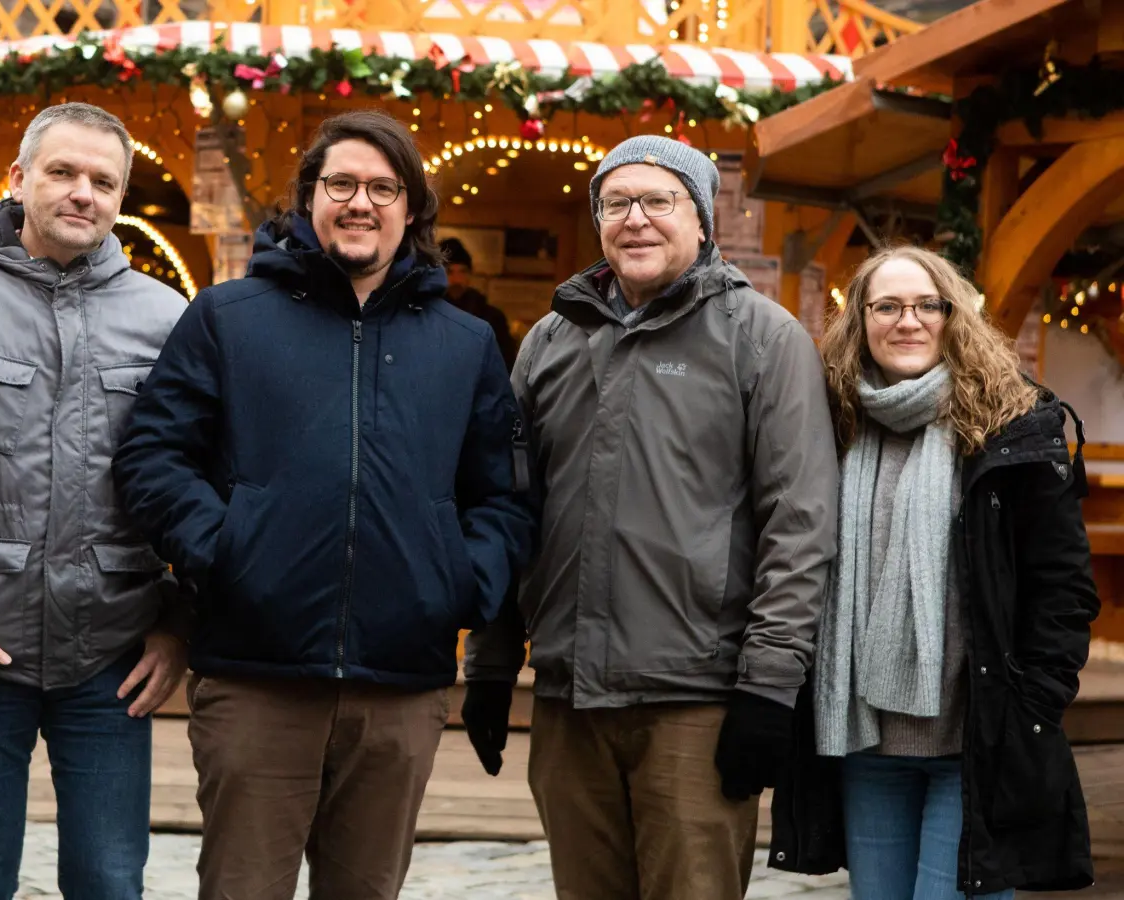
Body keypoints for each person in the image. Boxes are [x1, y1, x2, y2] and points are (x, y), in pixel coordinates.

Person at [112, 109, 534, 900]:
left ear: (411, 209)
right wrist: (229, 550)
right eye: (341, 183)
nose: (361, 202)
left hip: (400, 685)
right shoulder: (227, 318)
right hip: (255, 676)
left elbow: (501, 496)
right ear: (309, 197)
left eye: (384, 186)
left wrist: (458, 582)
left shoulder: (464, 344)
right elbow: (153, 455)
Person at [460, 134, 840, 900]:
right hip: (570, 697)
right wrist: (494, 663)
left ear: (701, 220)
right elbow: (510, 508)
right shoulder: (551, 340)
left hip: (696, 701)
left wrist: (769, 688)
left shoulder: (763, 339)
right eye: (616, 203)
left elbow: (799, 525)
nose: (635, 219)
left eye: (658, 200)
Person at [0, 102, 190, 900]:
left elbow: (195, 485)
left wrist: (177, 624)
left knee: (111, 879)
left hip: (113, 653)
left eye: (103, 180)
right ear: (17, 180)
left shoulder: (167, 318)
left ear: (122, 199)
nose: (83, 192)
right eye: (63, 172)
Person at [768, 245, 1098, 898]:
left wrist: (1032, 706)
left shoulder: (1013, 429)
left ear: (956, 317)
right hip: (866, 745)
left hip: (975, 744)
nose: (908, 320)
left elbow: (1061, 590)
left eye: (928, 305)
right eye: (886, 305)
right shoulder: (829, 427)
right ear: (859, 320)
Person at [440, 236, 517, 368]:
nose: (457, 279)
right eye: (450, 272)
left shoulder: (492, 318)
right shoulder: (427, 314)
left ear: (470, 274)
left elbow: (505, 364)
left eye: (463, 272)